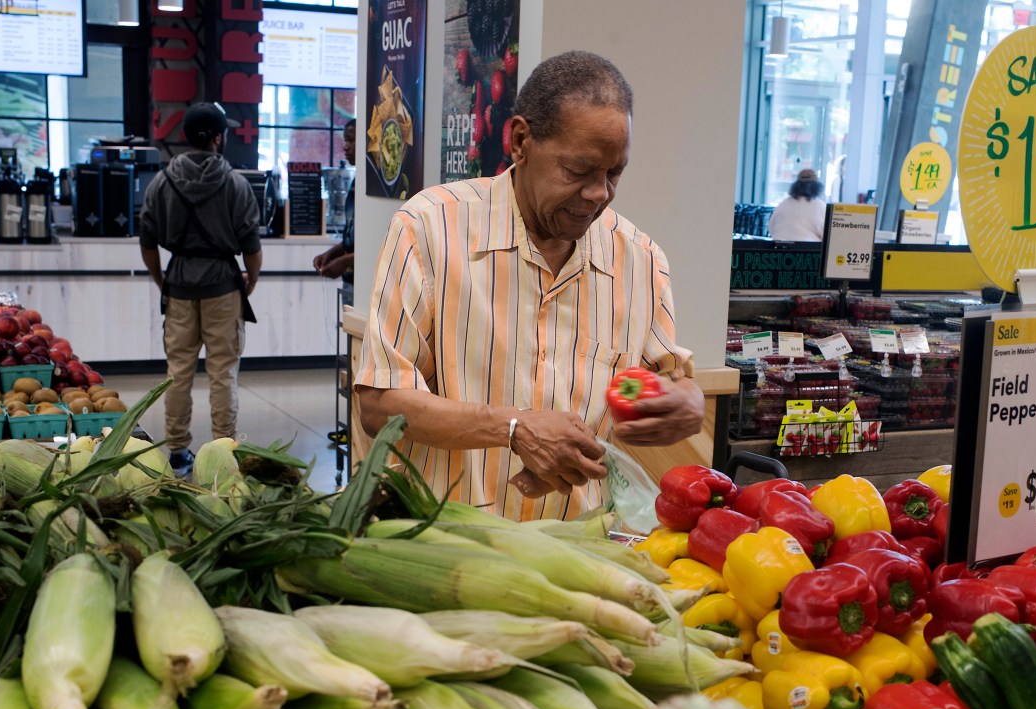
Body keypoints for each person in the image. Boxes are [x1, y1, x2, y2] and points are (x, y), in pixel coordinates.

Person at [356, 50, 704, 521]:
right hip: (444, 542)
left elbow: (666, 380)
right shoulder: (428, 229)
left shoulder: (641, 262)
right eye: (578, 171)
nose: (599, 193)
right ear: (520, 141)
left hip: (577, 548)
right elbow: (379, 404)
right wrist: (514, 428)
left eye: (614, 173)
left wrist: (687, 400)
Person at [139, 102, 262, 475]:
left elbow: (147, 242)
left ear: (187, 137)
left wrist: (162, 280)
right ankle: (223, 450)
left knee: (177, 372)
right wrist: (250, 281)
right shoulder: (235, 184)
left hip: (179, 286)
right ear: (218, 138)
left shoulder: (161, 182)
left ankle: (178, 452)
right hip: (223, 287)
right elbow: (252, 248)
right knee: (223, 373)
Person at [313, 118, 357, 300]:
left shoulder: (376, 189)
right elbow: (353, 237)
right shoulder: (356, 182)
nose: (345, 147)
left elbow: (379, 245)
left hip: (367, 283)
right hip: (350, 280)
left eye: (351, 140)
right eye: (345, 140)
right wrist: (332, 254)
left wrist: (345, 261)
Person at [769, 168, 828, 242]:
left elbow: (771, 228)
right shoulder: (820, 206)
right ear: (817, 186)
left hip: (779, 246)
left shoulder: (784, 204)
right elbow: (826, 235)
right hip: (807, 247)